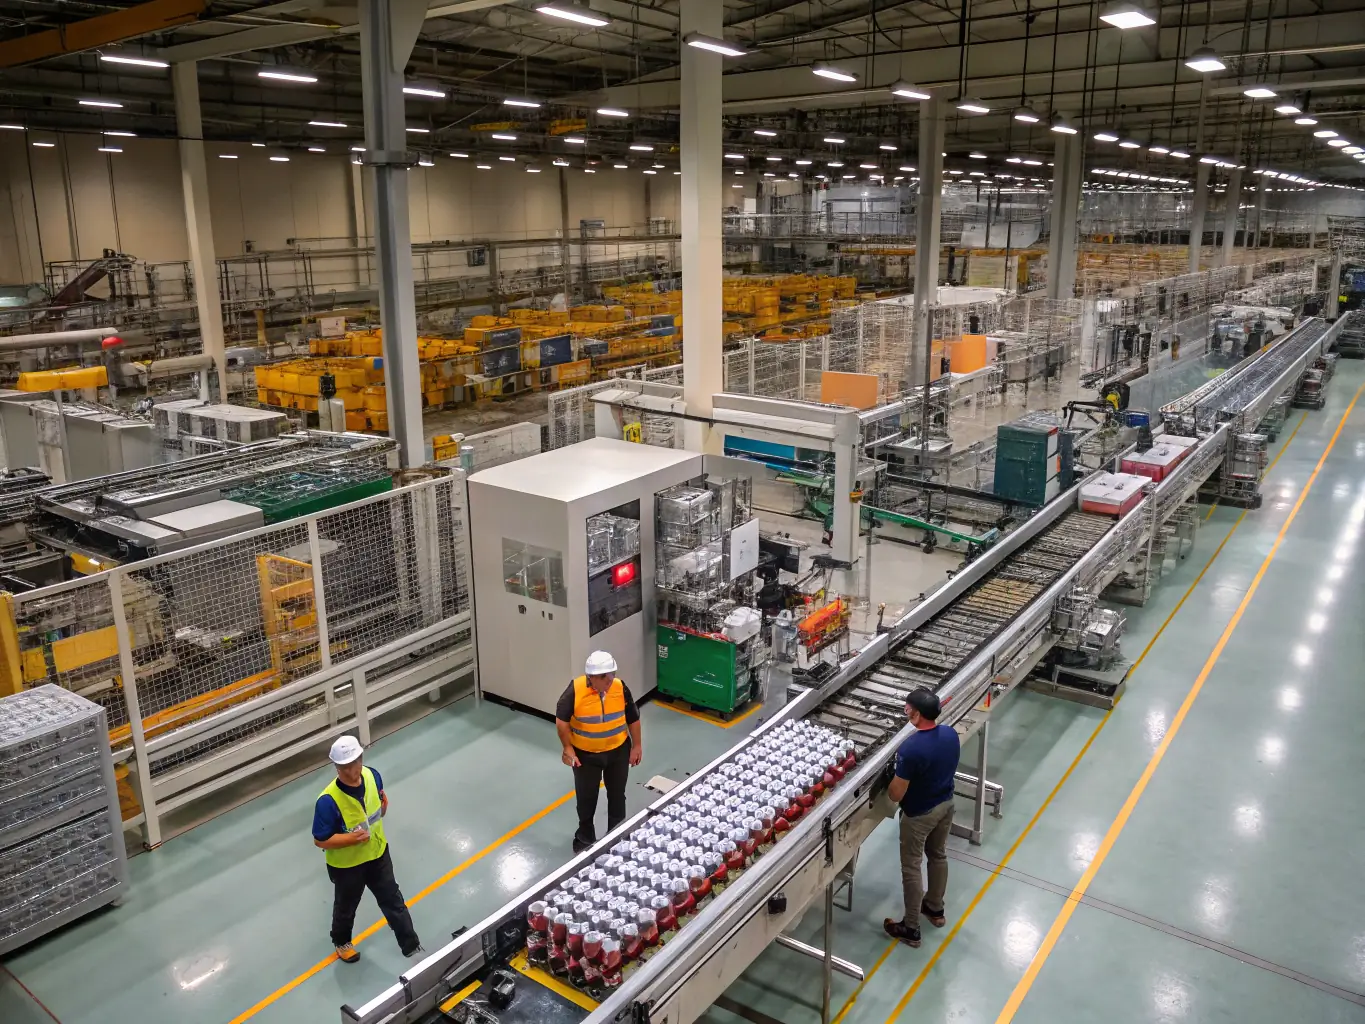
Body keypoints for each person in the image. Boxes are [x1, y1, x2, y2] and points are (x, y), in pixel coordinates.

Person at [312, 735, 422, 963]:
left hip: (378, 853)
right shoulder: (327, 801)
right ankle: (341, 943)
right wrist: (350, 839)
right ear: (337, 767)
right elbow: (320, 840)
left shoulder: (373, 776)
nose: (351, 770)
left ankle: (411, 946)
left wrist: (383, 809)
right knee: (346, 906)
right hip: (347, 866)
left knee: (393, 899)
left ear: (361, 759)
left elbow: (376, 813)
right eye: (344, 767)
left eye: (354, 763)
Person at [883, 688, 960, 948]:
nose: (906, 712)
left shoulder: (912, 748)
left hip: (920, 815)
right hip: (946, 804)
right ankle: (935, 909)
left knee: (911, 867)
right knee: (938, 855)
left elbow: (895, 795)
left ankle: (911, 928)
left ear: (916, 714)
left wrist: (893, 774)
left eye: (907, 709)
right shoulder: (950, 734)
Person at [556, 650, 643, 853]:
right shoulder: (575, 690)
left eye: (611, 673)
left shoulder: (620, 687)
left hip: (618, 752)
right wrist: (568, 748)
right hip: (586, 755)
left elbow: (633, 718)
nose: (610, 679)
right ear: (591, 677)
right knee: (586, 798)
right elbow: (562, 722)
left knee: (617, 795)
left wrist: (636, 746)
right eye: (604, 676)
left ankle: (617, 837)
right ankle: (585, 838)